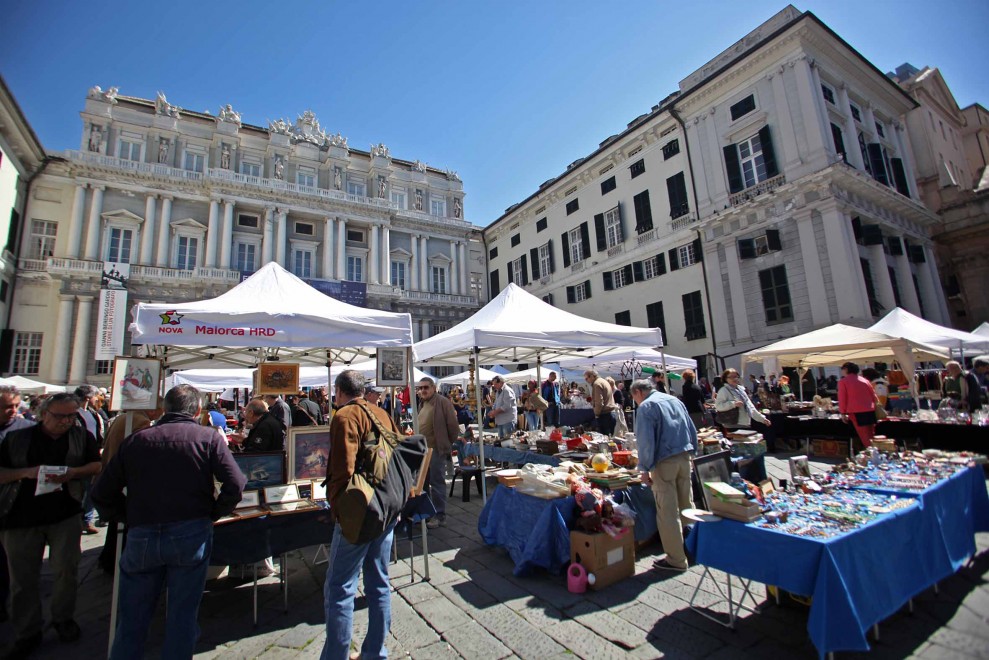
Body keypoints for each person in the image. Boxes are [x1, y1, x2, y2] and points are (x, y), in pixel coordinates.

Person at [93, 385, 245, 659]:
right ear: (198, 410)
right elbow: (236, 483)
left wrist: (127, 516)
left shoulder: (137, 440)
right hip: (191, 530)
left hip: (143, 531)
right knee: (182, 616)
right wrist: (214, 512)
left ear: (164, 408)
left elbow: (101, 493)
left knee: (132, 618)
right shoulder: (207, 439)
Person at [0, 393, 101, 656]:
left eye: (72, 416)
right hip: (20, 517)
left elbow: (96, 464)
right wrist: (26, 473)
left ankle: (63, 618)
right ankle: (27, 630)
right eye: (61, 416)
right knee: (22, 579)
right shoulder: (17, 439)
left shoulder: (80, 437)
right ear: (44, 413)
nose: (67, 421)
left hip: (65, 514)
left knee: (66, 570)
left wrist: (73, 473)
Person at [322, 370, 400, 660]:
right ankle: (376, 652)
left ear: (340, 391)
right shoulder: (380, 412)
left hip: (360, 512)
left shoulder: (344, 416)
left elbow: (342, 470)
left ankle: (336, 655)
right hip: (387, 509)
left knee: (340, 588)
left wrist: (338, 509)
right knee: (379, 582)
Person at [629, 379, 695, 571]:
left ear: (639, 393)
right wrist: (693, 452)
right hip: (684, 457)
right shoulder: (674, 400)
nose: (635, 402)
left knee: (668, 512)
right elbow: (691, 428)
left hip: (664, 462)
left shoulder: (647, 407)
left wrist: (644, 469)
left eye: (634, 398)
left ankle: (676, 559)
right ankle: (692, 550)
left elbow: (646, 442)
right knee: (687, 506)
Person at [97, 405, 163, 575]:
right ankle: (115, 561)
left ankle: (108, 559)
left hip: (113, 474)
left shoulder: (122, 418)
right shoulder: (141, 421)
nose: (161, 414)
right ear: (153, 409)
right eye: (161, 410)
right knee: (124, 527)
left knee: (116, 526)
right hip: (126, 479)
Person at [416, 377, 459, 529]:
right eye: (420, 388)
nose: (422, 390)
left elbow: (453, 427)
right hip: (423, 451)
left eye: (426, 387)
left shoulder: (442, 402)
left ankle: (440, 515)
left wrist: (446, 444)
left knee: (437, 483)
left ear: (433, 387)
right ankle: (429, 513)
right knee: (423, 484)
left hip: (436, 450)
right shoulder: (422, 403)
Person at [714, 369, 772, 446]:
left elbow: (750, 407)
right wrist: (733, 404)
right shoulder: (723, 390)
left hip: (744, 423)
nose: (734, 379)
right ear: (725, 379)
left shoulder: (741, 390)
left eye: (735, 376)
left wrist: (762, 419)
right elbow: (718, 406)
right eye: (731, 377)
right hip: (732, 424)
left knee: (747, 448)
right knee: (742, 449)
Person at [838, 362, 878, 449]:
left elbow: (842, 397)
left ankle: (872, 455)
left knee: (865, 437)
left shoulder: (843, 382)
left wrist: (843, 412)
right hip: (870, 410)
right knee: (871, 435)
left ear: (846, 369)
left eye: (842, 369)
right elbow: (874, 396)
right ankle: (875, 452)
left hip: (857, 411)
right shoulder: (865, 380)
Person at [584, 370, 618, 436]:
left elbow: (599, 402)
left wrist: (596, 414)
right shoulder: (604, 381)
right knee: (611, 438)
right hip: (611, 413)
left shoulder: (597, 384)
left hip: (605, 415)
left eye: (586, 378)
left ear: (591, 376)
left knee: (604, 440)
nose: (586, 381)